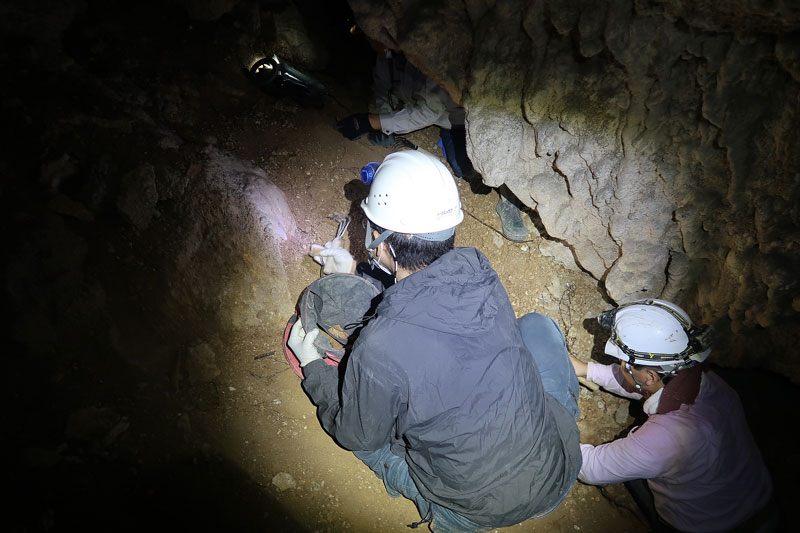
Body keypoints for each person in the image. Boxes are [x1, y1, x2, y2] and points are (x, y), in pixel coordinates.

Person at [287, 149, 581, 531]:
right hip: (556, 463)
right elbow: (423, 296)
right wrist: (357, 269)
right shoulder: (479, 270)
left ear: (379, 237)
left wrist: (312, 365)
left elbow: (355, 432)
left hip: (476, 507)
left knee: (370, 439)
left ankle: (446, 512)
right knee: (537, 326)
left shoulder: (378, 347)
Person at [571, 299, 778, 532]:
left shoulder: (663, 440)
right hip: (756, 503)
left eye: (623, 362)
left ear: (649, 376)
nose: (620, 365)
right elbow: (641, 385)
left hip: (707, 526)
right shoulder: (707, 382)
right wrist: (586, 370)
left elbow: (590, 468)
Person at [334, 39, 528, 242]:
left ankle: (509, 199)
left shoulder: (425, 55)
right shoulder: (385, 57)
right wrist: (383, 120)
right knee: (463, 169)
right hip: (445, 122)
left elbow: (428, 112)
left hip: (469, 120)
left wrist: (372, 122)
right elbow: (382, 90)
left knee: (490, 159)